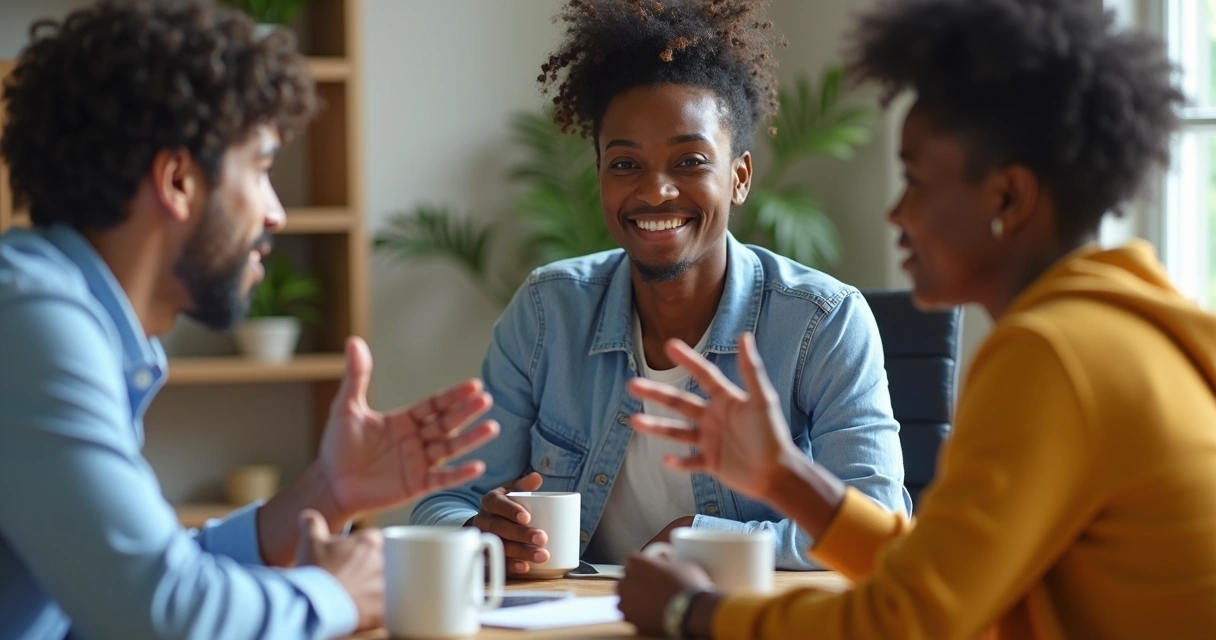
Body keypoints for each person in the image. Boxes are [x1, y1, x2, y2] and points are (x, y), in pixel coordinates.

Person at [614, 0, 1216, 638]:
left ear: (1007, 198)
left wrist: (693, 612)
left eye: (916, 180)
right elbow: (942, 577)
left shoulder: (1054, 355)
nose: (895, 214)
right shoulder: (1113, 323)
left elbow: (907, 621)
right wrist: (785, 479)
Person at [0, 2, 500, 638]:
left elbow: (136, 587)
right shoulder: (30, 322)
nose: (275, 213)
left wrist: (324, 491)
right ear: (178, 179)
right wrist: (334, 593)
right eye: (261, 167)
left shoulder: (55, 314)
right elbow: (163, 614)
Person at [411, 0, 909, 575]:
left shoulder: (822, 322)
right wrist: (479, 532)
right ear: (599, 174)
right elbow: (443, 505)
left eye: (690, 161)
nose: (656, 192)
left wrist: (705, 538)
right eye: (625, 165)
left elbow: (880, 522)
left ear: (739, 177)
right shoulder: (548, 311)